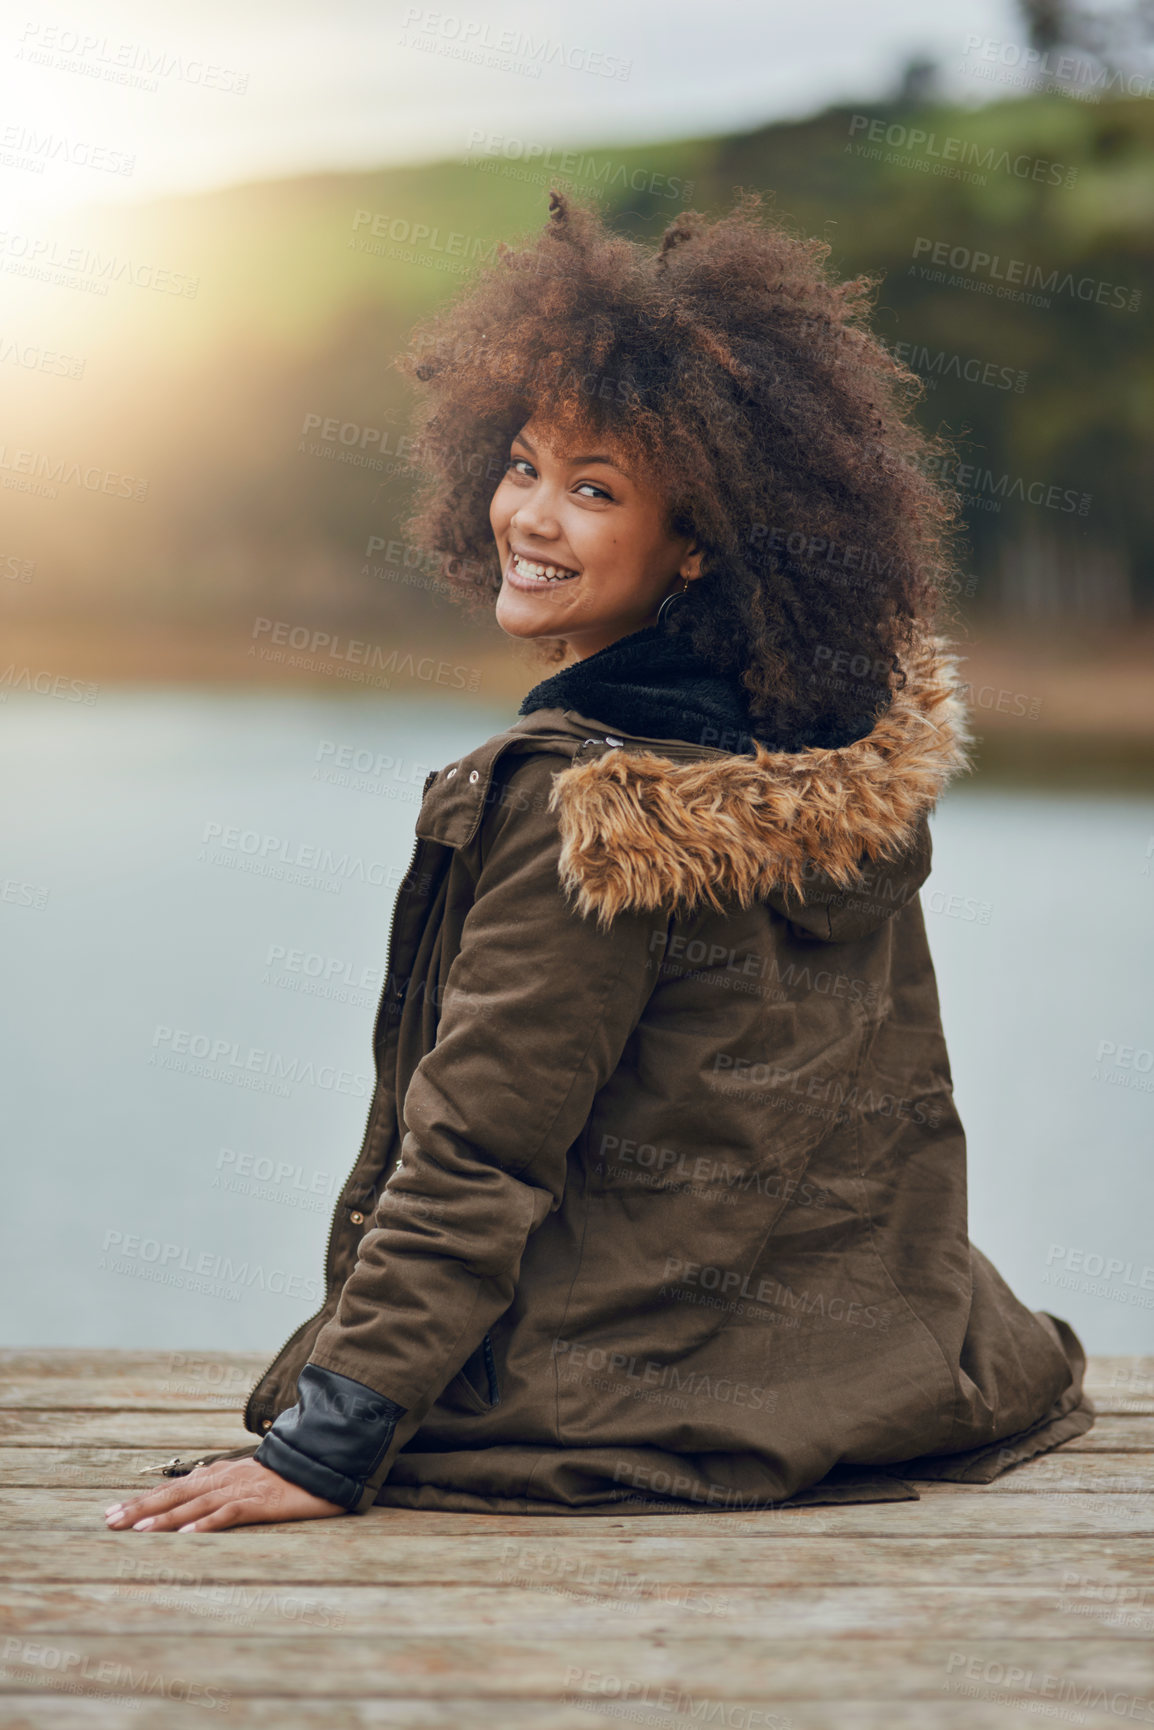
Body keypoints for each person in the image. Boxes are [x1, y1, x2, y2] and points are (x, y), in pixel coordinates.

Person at [105, 190, 1091, 1535]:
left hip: (624, 1391)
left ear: (693, 547)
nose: (529, 515)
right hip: (878, 1363)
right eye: (521, 465)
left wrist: (329, 1442)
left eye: (594, 489)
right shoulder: (824, 762)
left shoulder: (590, 806)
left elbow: (479, 1148)